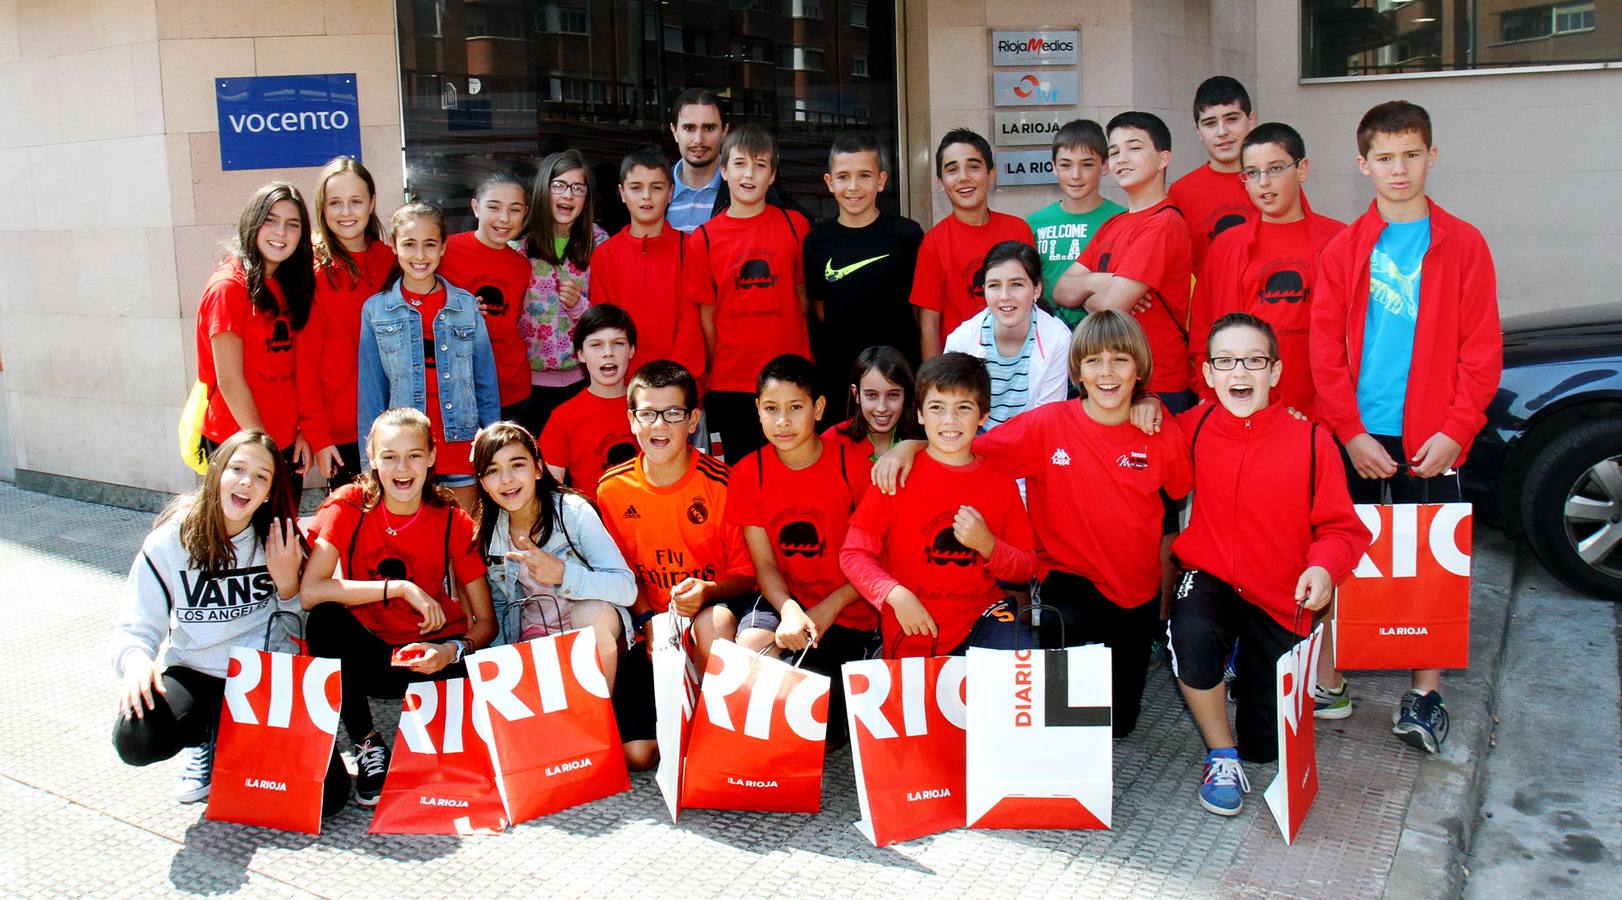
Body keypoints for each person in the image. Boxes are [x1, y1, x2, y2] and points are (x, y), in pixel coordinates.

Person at [872, 312, 1190, 736]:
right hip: (1069, 583)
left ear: (1139, 370)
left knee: (1118, 727)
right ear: (1077, 371)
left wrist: (1154, 408)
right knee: (1070, 720)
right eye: (1094, 361)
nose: (1107, 372)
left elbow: (1182, 484)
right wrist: (912, 444)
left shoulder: (1158, 429)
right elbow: (968, 446)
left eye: (1121, 361)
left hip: (1135, 593)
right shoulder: (1049, 425)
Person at [1309, 100, 1502, 753]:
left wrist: (1456, 430)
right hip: (1359, 432)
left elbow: (1481, 351)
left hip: (1433, 435)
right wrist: (1351, 432)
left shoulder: (1464, 243)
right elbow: (1324, 350)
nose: (1399, 169)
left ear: (1432, 156)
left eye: (1411, 154)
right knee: (1341, 552)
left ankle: (1425, 693)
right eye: (1385, 158)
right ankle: (1330, 678)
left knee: (1431, 560)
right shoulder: (1344, 249)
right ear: (1362, 164)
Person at [1168, 313, 1370, 816]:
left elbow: (1344, 530)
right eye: (1226, 361)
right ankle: (1220, 752)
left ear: (1275, 373)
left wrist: (1323, 568)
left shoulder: (1311, 441)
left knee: (1268, 748)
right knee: (1191, 632)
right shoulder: (1188, 429)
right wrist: (1147, 405)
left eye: (1254, 361)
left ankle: (1247, 682)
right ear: (1209, 375)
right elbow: (1129, 453)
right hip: (1212, 576)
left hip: (1280, 595)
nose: (1241, 372)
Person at [112, 430, 339, 811]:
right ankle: (203, 738)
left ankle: (238, 741)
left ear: (269, 491)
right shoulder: (170, 541)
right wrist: (135, 661)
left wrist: (288, 586)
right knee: (136, 738)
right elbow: (137, 623)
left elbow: (305, 626)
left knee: (327, 799)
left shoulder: (280, 537)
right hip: (196, 673)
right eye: (238, 468)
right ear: (217, 471)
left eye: (262, 476)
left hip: (263, 678)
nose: (247, 482)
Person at [300, 408, 498, 808]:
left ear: (431, 456)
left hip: (429, 656)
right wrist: (401, 589)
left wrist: (451, 650)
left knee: (452, 772)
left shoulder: (452, 520)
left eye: (413, 455)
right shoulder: (349, 505)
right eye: (389, 456)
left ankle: (436, 730)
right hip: (369, 656)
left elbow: (486, 623)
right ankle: (366, 742)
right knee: (324, 620)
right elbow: (311, 591)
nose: (402, 468)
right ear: (371, 458)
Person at [595, 361, 760, 770]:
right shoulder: (612, 489)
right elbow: (617, 577)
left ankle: (719, 735)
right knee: (638, 755)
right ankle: (677, 719)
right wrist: (646, 618)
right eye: (647, 413)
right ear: (632, 419)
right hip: (651, 635)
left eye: (672, 413)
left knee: (715, 624)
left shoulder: (723, 483)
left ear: (693, 420)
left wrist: (708, 592)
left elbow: (746, 576)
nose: (659, 425)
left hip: (709, 619)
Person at [840, 352, 1037, 658]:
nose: (949, 420)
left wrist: (988, 546)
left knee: (1024, 670)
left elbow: (1026, 565)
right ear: (919, 413)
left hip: (982, 618)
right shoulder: (896, 475)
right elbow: (854, 554)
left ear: (983, 415)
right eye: (937, 407)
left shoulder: (999, 481)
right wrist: (893, 594)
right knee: (922, 703)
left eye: (963, 408)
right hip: (912, 625)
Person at [726, 354, 878, 743]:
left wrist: (828, 609)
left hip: (847, 604)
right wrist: (790, 610)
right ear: (757, 410)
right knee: (751, 647)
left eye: (795, 408)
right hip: (785, 599)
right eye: (772, 409)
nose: (783, 421)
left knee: (819, 729)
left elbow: (876, 557)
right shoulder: (748, 472)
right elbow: (764, 564)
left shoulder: (854, 467)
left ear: (819, 408)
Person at [1189, 123, 1345, 417]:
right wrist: (1208, 396)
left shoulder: (1340, 241)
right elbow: (1203, 333)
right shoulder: (1226, 247)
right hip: (1241, 411)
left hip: (1322, 417)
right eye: (1252, 172)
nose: (1263, 182)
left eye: (1275, 169)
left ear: (1302, 169)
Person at [357, 202, 501, 511]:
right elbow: (371, 393)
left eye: (429, 244)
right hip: (403, 454)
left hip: (462, 447)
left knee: (462, 542)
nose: (419, 255)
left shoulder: (465, 306)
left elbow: (485, 383)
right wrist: (369, 464)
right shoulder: (375, 310)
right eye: (409, 244)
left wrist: (494, 448)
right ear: (394, 246)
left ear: (443, 247)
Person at [683, 124, 812, 464]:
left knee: (795, 470)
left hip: (792, 375)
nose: (749, 174)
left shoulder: (795, 225)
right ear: (723, 170)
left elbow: (802, 299)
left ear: (773, 174)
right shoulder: (704, 239)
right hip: (731, 382)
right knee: (740, 474)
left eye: (760, 164)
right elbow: (707, 320)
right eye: (740, 163)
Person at [473, 421, 635, 689]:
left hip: (592, 629)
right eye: (493, 471)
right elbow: (500, 609)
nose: (507, 479)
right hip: (534, 636)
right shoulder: (490, 532)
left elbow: (626, 589)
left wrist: (564, 574)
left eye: (517, 465)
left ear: (538, 468)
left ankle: (601, 711)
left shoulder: (573, 512)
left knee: (591, 613)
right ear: (483, 483)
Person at [1053, 112, 1195, 410]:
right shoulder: (1113, 224)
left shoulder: (1163, 223)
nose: (1121, 158)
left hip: (1157, 384)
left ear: (1163, 158)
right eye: (1114, 151)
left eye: (1134, 147)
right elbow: (1061, 291)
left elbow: (1109, 307)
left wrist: (1092, 297)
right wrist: (1102, 282)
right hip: (1112, 382)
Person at [195, 182, 317, 485]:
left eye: (292, 225)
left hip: (284, 441)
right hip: (240, 445)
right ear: (252, 222)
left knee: (280, 532)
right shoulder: (229, 287)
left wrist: (302, 429)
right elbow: (230, 381)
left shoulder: (286, 283)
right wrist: (264, 449)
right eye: (271, 220)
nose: (280, 232)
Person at [802, 131, 925, 400]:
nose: (854, 186)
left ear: (881, 181)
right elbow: (820, 310)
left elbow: (920, 312)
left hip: (899, 376)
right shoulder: (816, 242)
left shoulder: (907, 235)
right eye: (843, 176)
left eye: (865, 175)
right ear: (829, 182)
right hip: (840, 379)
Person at [305, 157, 395, 489]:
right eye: (335, 203)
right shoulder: (311, 269)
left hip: (395, 423)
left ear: (371, 203)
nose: (346, 212)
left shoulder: (391, 260)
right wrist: (317, 435)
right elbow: (305, 359)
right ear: (322, 208)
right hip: (340, 430)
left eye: (355, 202)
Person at [910, 128, 1037, 361]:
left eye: (974, 166)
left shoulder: (1018, 230)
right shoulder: (933, 243)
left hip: (1020, 363)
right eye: (952, 169)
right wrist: (935, 381)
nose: (963, 177)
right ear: (940, 182)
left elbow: (1034, 302)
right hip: (961, 369)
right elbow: (929, 324)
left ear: (991, 174)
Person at [590, 145, 707, 379]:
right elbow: (603, 329)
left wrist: (673, 384)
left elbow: (691, 325)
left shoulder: (692, 248)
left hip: (680, 387)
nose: (646, 196)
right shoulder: (605, 255)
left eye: (656, 187)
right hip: (624, 388)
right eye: (636, 188)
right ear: (622, 193)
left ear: (671, 192)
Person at [519, 150, 611, 437]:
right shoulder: (519, 245)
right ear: (543, 190)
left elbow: (610, 316)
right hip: (528, 386)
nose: (568, 195)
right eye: (558, 185)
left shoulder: (601, 244)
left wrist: (579, 306)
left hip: (582, 379)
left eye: (577, 188)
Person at [438, 171, 535, 426]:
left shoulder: (521, 266)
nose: (504, 219)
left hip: (512, 388)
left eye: (514, 210)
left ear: (525, 212)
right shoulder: (444, 251)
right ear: (475, 207)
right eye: (494, 207)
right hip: (458, 387)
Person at [944, 241, 1071, 429]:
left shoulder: (1058, 337)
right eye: (994, 285)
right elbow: (951, 413)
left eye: (1016, 284)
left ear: (1037, 289)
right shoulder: (961, 340)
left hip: (1030, 446)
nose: (1004, 296)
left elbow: (1048, 417)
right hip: (972, 448)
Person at [1027, 119, 1125, 329]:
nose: (1075, 175)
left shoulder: (1123, 220)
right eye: (1066, 164)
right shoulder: (1033, 224)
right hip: (1047, 338)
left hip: (1104, 335)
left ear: (1105, 165)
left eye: (1087, 164)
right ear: (1053, 166)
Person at [540, 304, 639, 502]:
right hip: (591, 526)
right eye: (596, 345)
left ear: (631, 350)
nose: (608, 352)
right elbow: (548, 491)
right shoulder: (563, 417)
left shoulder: (651, 408)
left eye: (618, 343)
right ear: (580, 354)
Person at [1168, 76, 1258, 273]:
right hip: (1206, 301)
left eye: (1231, 119)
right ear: (1198, 130)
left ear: (1250, 120)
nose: (1221, 132)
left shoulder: (1272, 180)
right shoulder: (1181, 192)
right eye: (1210, 123)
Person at [822, 346, 922, 488]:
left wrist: (913, 446)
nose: (882, 407)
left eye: (893, 395)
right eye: (871, 395)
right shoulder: (833, 442)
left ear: (906, 395)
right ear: (856, 394)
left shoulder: (922, 437)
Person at [666, 88, 729, 234]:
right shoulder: (654, 189)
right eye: (689, 128)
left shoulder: (743, 189)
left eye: (709, 128)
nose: (698, 140)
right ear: (674, 131)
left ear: (724, 131)